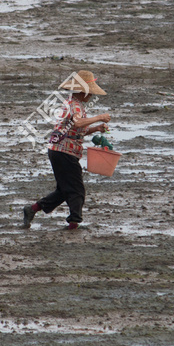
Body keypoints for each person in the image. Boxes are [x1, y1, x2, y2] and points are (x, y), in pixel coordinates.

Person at [22, 70, 110, 230]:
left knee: (64, 190)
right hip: (64, 152)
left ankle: (32, 209)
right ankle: (74, 223)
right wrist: (99, 117)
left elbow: (78, 130)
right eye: (89, 93)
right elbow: (78, 123)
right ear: (81, 92)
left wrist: (96, 128)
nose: (90, 96)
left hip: (59, 151)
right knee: (77, 189)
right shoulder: (75, 106)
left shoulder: (75, 104)